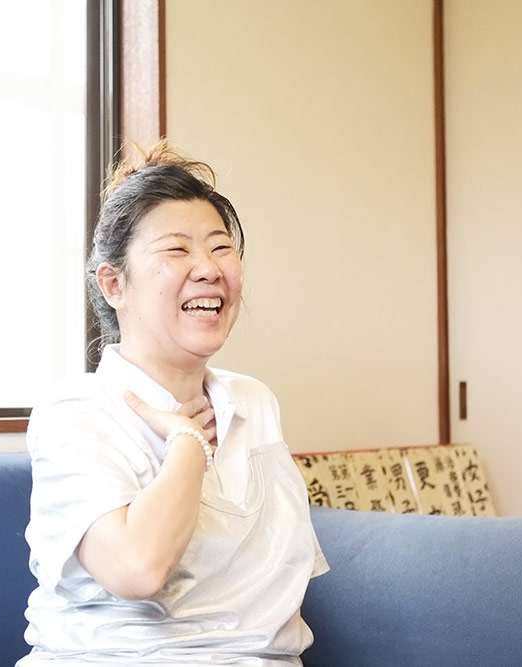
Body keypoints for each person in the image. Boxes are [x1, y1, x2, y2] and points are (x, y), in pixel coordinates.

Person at [18, 142, 328, 666]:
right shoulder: (76, 412)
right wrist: (187, 442)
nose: (208, 269)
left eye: (221, 247)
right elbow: (137, 569)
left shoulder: (254, 402)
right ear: (114, 284)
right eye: (177, 251)